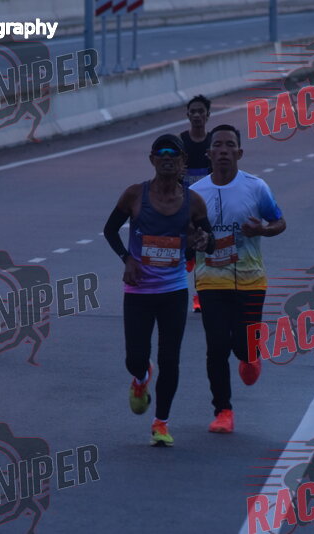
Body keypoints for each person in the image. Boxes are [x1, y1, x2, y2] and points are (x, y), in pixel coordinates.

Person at [103, 134, 215, 447]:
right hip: (138, 291)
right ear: (152, 159)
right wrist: (127, 258)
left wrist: (202, 241)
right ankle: (141, 377)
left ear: (183, 162)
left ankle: (161, 423)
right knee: (135, 358)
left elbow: (209, 242)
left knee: (170, 359)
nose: (167, 158)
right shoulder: (134, 194)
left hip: (173, 292)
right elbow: (110, 230)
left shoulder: (194, 202)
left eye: (173, 153)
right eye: (161, 153)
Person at [190, 124, 286, 434]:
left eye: (229, 145)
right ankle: (223, 411)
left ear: (239, 152)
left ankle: (250, 356)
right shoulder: (195, 193)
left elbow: (279, 222)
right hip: (210, 279)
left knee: (244, 346)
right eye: (217, 145)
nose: (223, 150)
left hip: (250, 279)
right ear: (209, 153)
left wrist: (262, 230)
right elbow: (185, 234)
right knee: (217, 345)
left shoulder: (256, 187)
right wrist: (193, 241)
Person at [180, 95, 213, 313]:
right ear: (188, 115)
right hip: (183, 203)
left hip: (207, 204)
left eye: (201, 111)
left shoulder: (213, 142)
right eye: (193, 112)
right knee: (187, 253)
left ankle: (199, 297)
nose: (197, 115)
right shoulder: (181, 141)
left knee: (203, 250)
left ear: (208, 115)